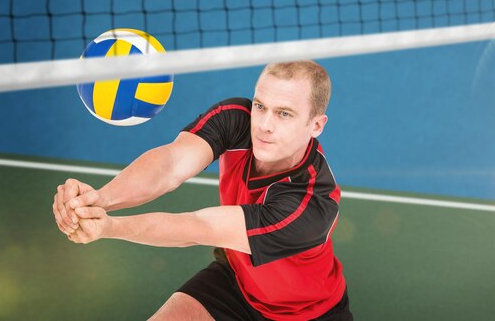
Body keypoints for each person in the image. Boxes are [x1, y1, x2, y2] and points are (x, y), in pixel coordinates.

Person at [52, 60, 352, 320]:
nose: (264, 125)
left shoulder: (311, 204)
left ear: (316, 125)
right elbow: (170, 166)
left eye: (284, 114)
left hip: (307, 315)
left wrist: (109, 227)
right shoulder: (236, 118)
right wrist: (97, 200)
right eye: (260, 106)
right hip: (236, 285)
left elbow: (198, 227)